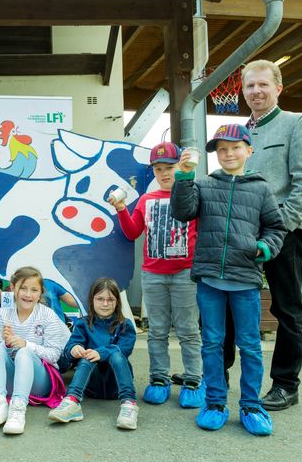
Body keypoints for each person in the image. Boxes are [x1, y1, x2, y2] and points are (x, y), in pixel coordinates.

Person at [171, 123, 286, 436]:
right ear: (215, 155)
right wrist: (183, 176)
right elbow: (182, 211)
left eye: (235, 147)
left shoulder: (262, 189)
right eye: (221, 149)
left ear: (249, 150)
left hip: (246, 280)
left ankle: (251, 405)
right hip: (209, 279)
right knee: (212, 343)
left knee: (249, 346)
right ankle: (215, 402)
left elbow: (276, 228)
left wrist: (264, 247)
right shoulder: (205, 184)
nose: (228, 153)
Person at [237, 60, 302, 411]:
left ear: (278, 88)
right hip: (245, 234)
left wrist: (281, 226)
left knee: (287, 308)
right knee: (230, 304)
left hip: (284, 233)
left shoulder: (296, 124)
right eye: (250, 87)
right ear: (243, 92)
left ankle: (286, 384)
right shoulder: (240, 135)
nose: (256, 91)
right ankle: (214, 374)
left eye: (263, 85)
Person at [109, 141, 203, 409]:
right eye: (159, 168)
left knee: (188, 331)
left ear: (180, 166)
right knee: (157, 331)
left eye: (170, 167)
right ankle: (159, 379)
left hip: (186, 274)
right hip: (153, 275)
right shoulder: (146, 200)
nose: (164, 173)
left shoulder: (192, 195)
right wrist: (121, 209)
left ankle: (194, 380)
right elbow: (132, 232)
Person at [0, 266, 71, 435]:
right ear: (14, 288)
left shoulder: (48, 315)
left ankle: (17, 410)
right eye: (23, 288)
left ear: (40, 293)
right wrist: (5, 341)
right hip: (11, 381)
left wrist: (26, 344)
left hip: (39, 382)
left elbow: (54, 355)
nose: (28, 294)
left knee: (24, 352)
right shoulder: (2, 314)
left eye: (34, 290)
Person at [48, 278, 139, 430]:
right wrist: (74, 348)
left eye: (110, 299)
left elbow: (124, 349)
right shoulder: (83, 323)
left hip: (115, 385)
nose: (105, 304)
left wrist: (100, 352)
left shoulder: (125, 325)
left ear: (117, 301)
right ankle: (72, 401)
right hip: (91, 386)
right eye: (100, 299)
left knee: (116, 354)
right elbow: (70, 347)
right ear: (92, 300)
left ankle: (129, 403)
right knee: (86, 356)